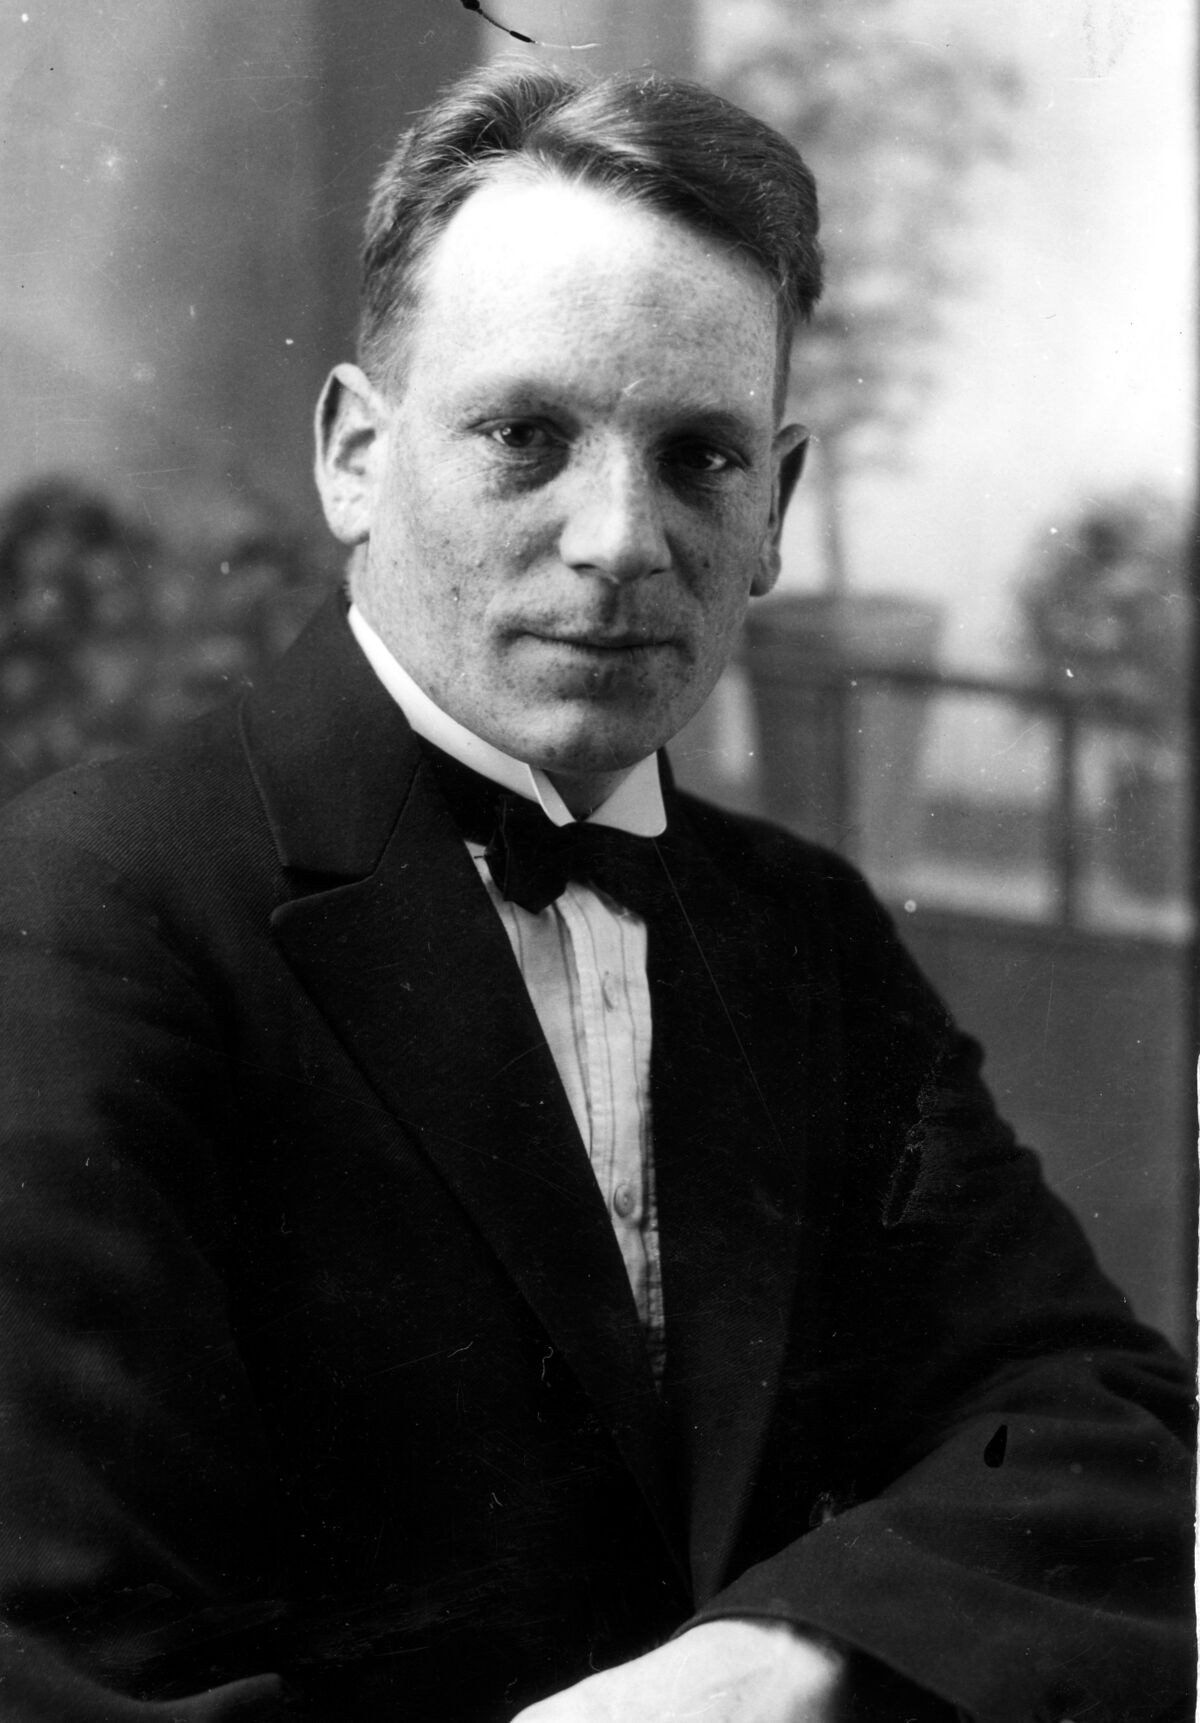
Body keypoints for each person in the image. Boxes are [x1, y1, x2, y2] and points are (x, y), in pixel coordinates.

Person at [0, 61, 1190, 1723]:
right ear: (355, 455)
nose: (621, 537)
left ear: (776, 508)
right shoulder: (85, 913)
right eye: (525, 435)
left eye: (699, 457)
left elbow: (1101, 1427)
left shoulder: (804, 935)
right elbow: (64, 1677)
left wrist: (776, 1668)